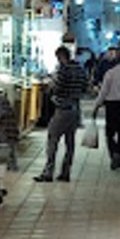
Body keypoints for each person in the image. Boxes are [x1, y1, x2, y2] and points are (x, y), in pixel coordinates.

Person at [36, 45, 90, 183]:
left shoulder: (63, 70)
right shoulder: (80, 69)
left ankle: (48, 172)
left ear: (60, 57)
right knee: (70, 142)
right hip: (75, 109)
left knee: (52, 139)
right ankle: (66, 172)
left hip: (62, 109)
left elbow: (57, 87)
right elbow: (85, 87)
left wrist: (52, 89)